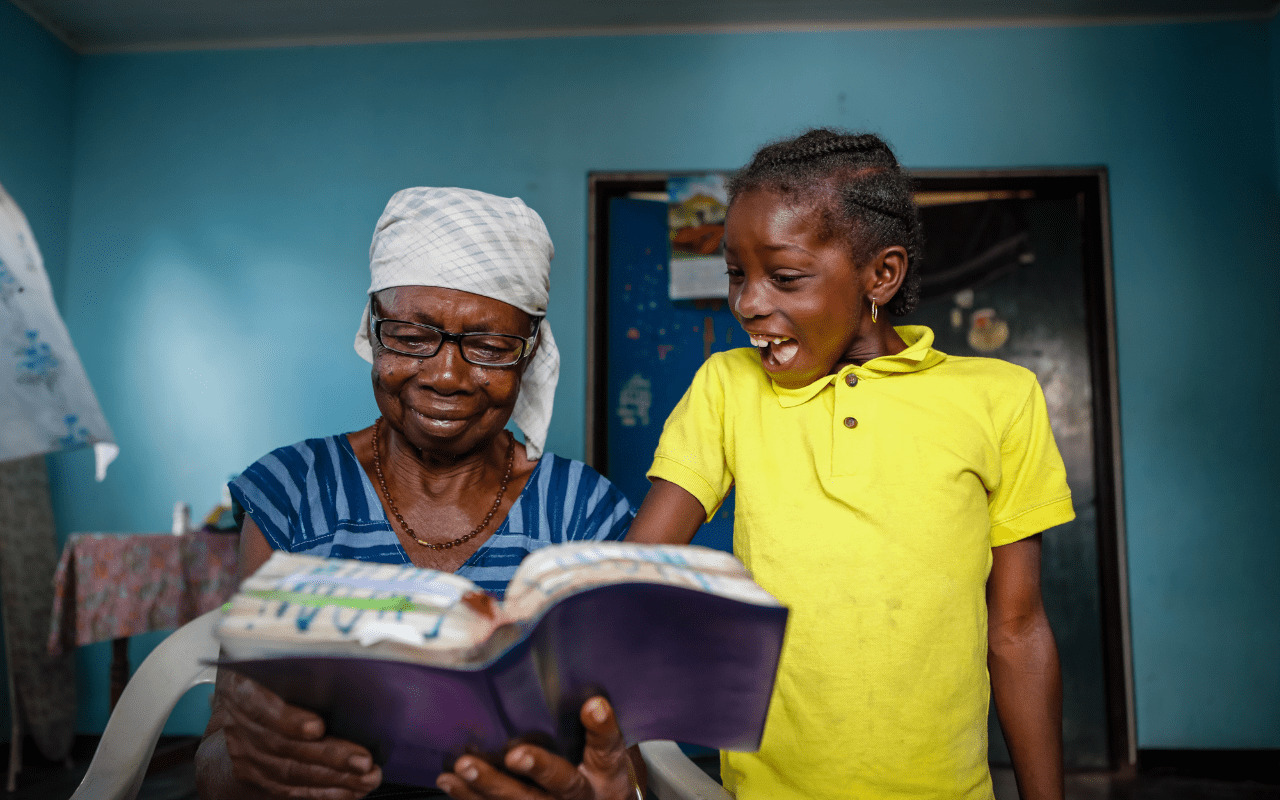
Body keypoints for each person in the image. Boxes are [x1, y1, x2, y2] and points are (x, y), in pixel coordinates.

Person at [624, 129, 1076, 800]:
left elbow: (1015, 630)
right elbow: (636, 577)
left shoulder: (998, 401)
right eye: (736, 273)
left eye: (784, 276)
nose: (748, 301)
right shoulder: (728, 386)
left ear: (880, 276)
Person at [195, 187, 640, 800]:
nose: (447, 376)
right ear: (372, 331)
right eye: (410, 335)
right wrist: (251, 763)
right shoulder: (293, 493)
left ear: (530, 351)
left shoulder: (584, 516)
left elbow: (625, 760)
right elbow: (218, 754)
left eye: (488, 346)